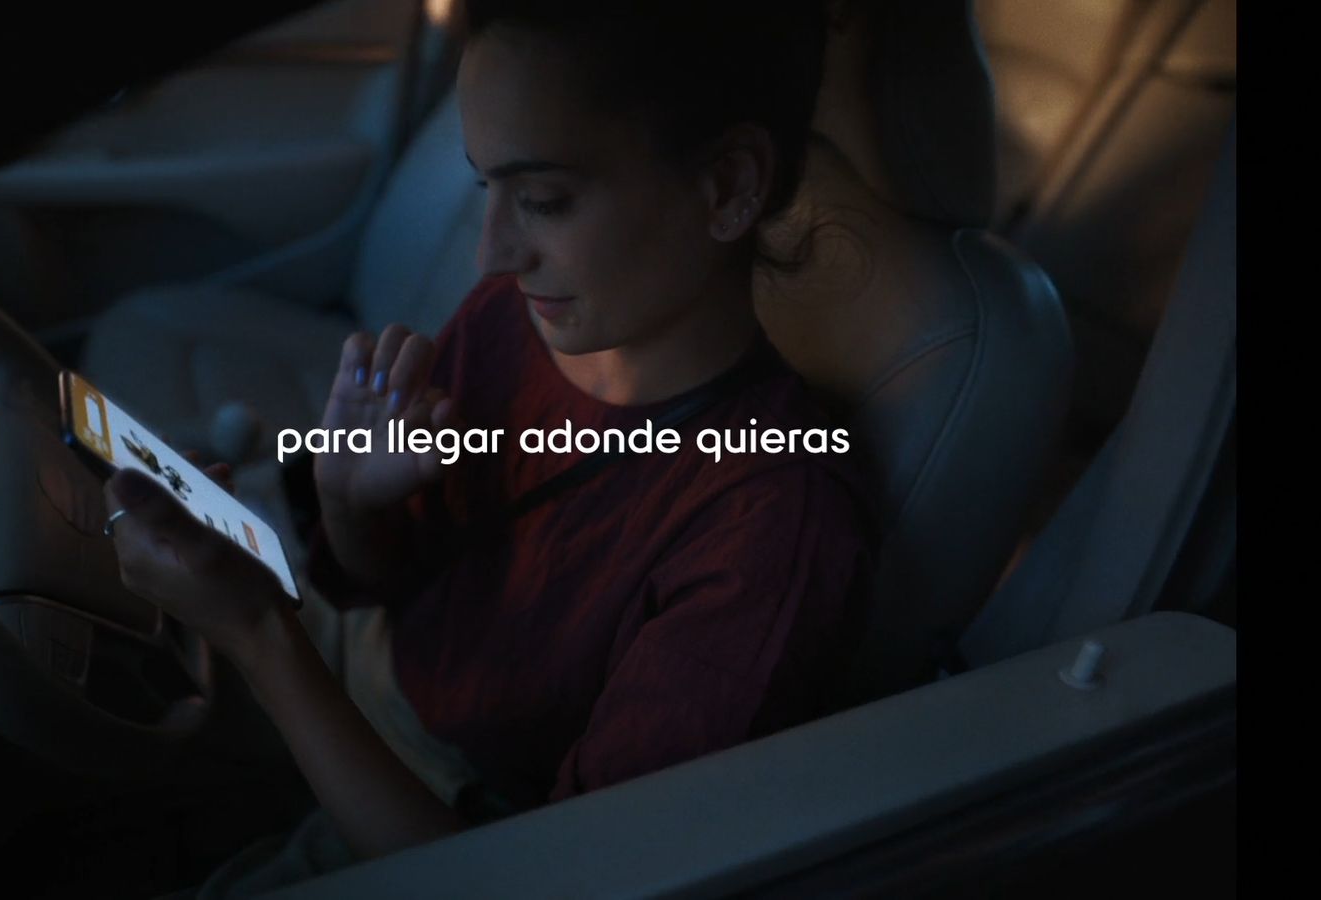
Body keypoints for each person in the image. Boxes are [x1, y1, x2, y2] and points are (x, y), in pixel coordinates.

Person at [106, 0, 877, 893]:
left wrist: (253, 634)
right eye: (485, 188)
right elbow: (390, 583)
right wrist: (353, 497)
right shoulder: (517, 324)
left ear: (728, 187)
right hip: (373, 667)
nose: (491, 253)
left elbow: (546, 880)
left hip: (451, 818)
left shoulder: (768, 530)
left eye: (543, 201)